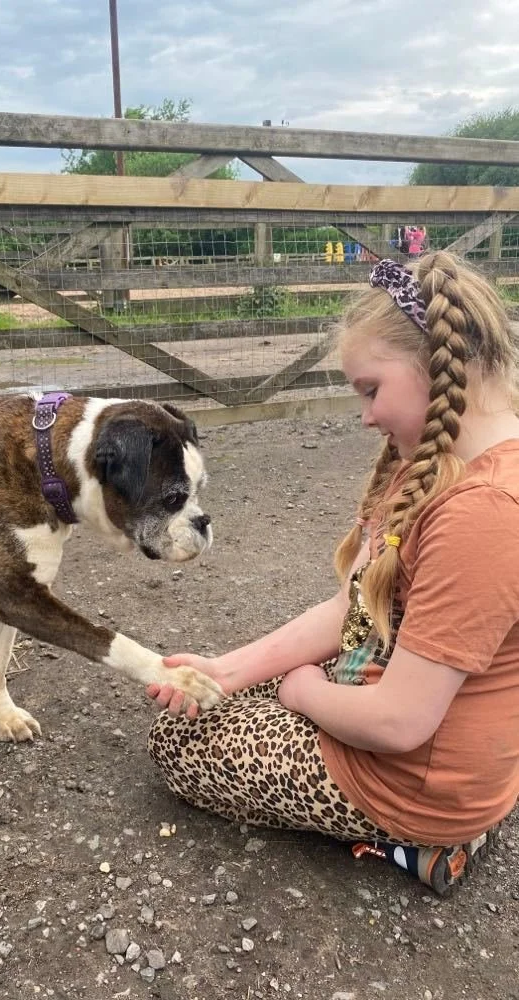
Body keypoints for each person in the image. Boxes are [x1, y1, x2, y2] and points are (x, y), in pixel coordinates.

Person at [146, 251, 519, 896]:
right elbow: (352, 608)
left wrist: (302, 691)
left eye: (372, 389)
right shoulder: (438, 456)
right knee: (216, 698)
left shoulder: (485, 515)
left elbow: (400, 722)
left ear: (439, 362)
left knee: (176, 745)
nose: (367, 415)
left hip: (413, 772)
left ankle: (425, 838)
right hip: (412, 720)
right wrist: (228, 668)